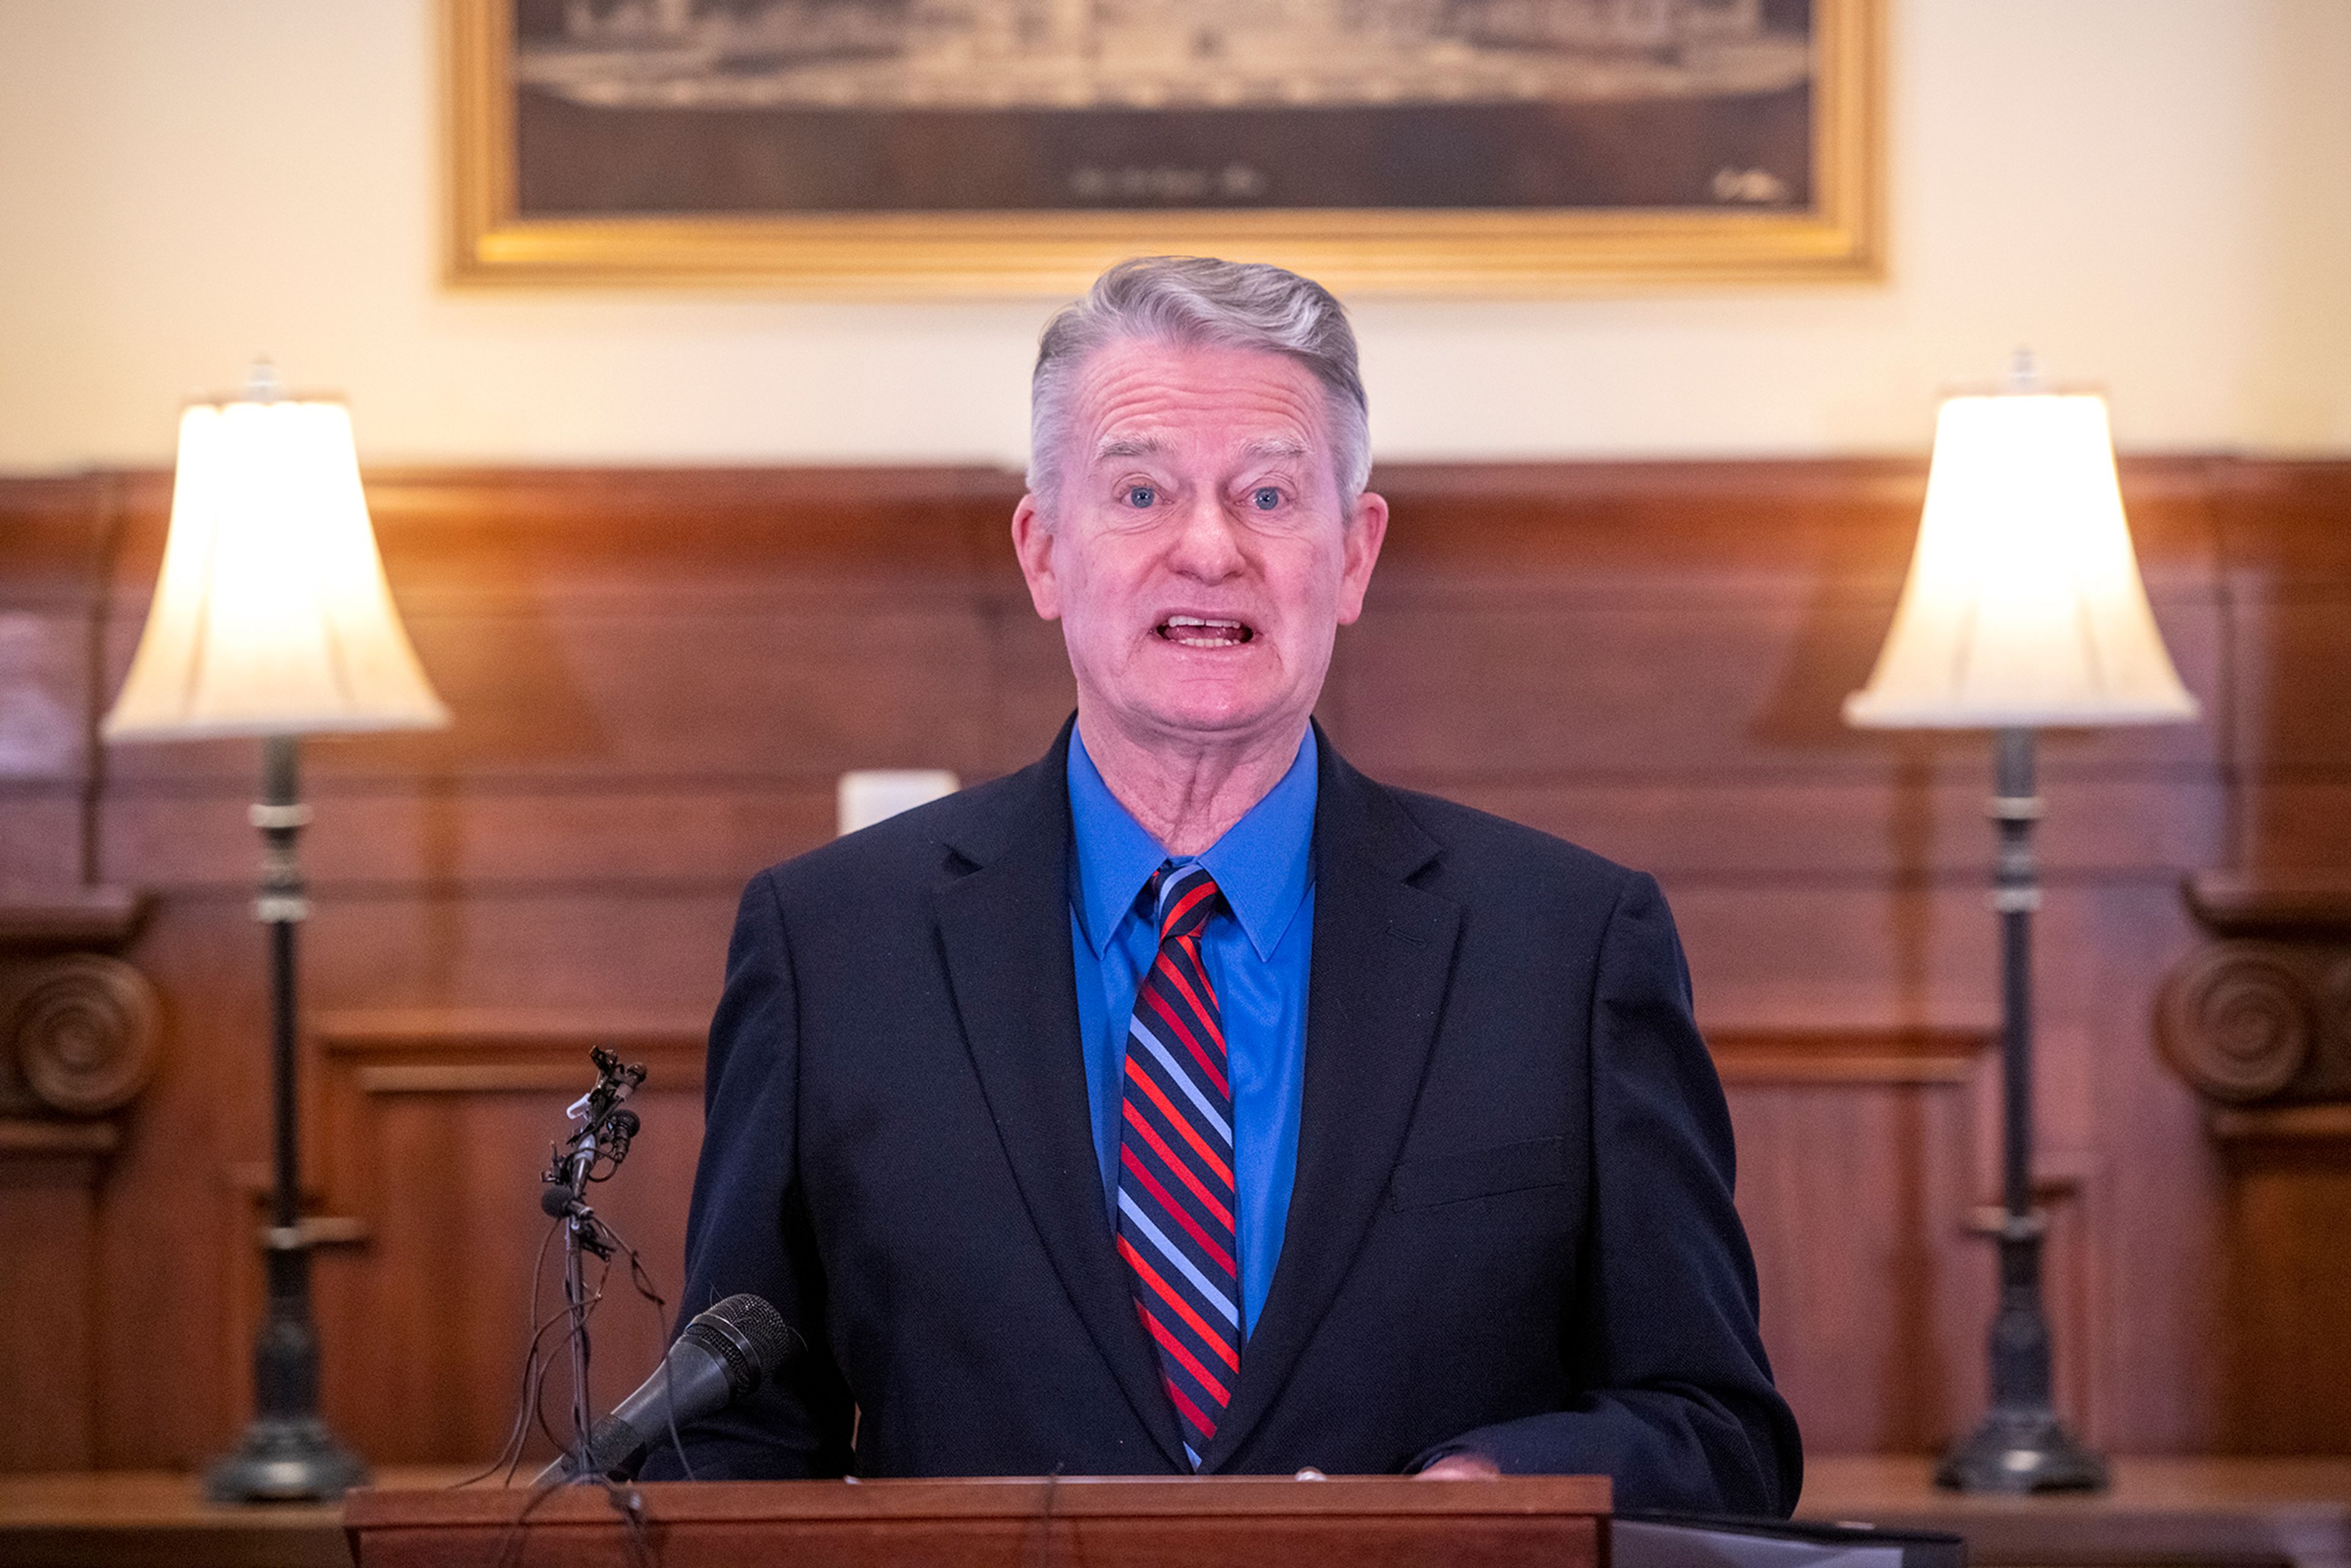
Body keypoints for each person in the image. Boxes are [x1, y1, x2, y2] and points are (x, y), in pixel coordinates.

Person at [643, 256, 1801, 1512]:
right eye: (1139, 492)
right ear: (1044, 552)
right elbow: (736, 1449)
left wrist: (1482, 1494)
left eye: (1267, 494)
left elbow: (1716, 1430)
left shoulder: (1568, 949)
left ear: (1353, 557)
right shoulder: (831, 949)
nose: (1209, 549)